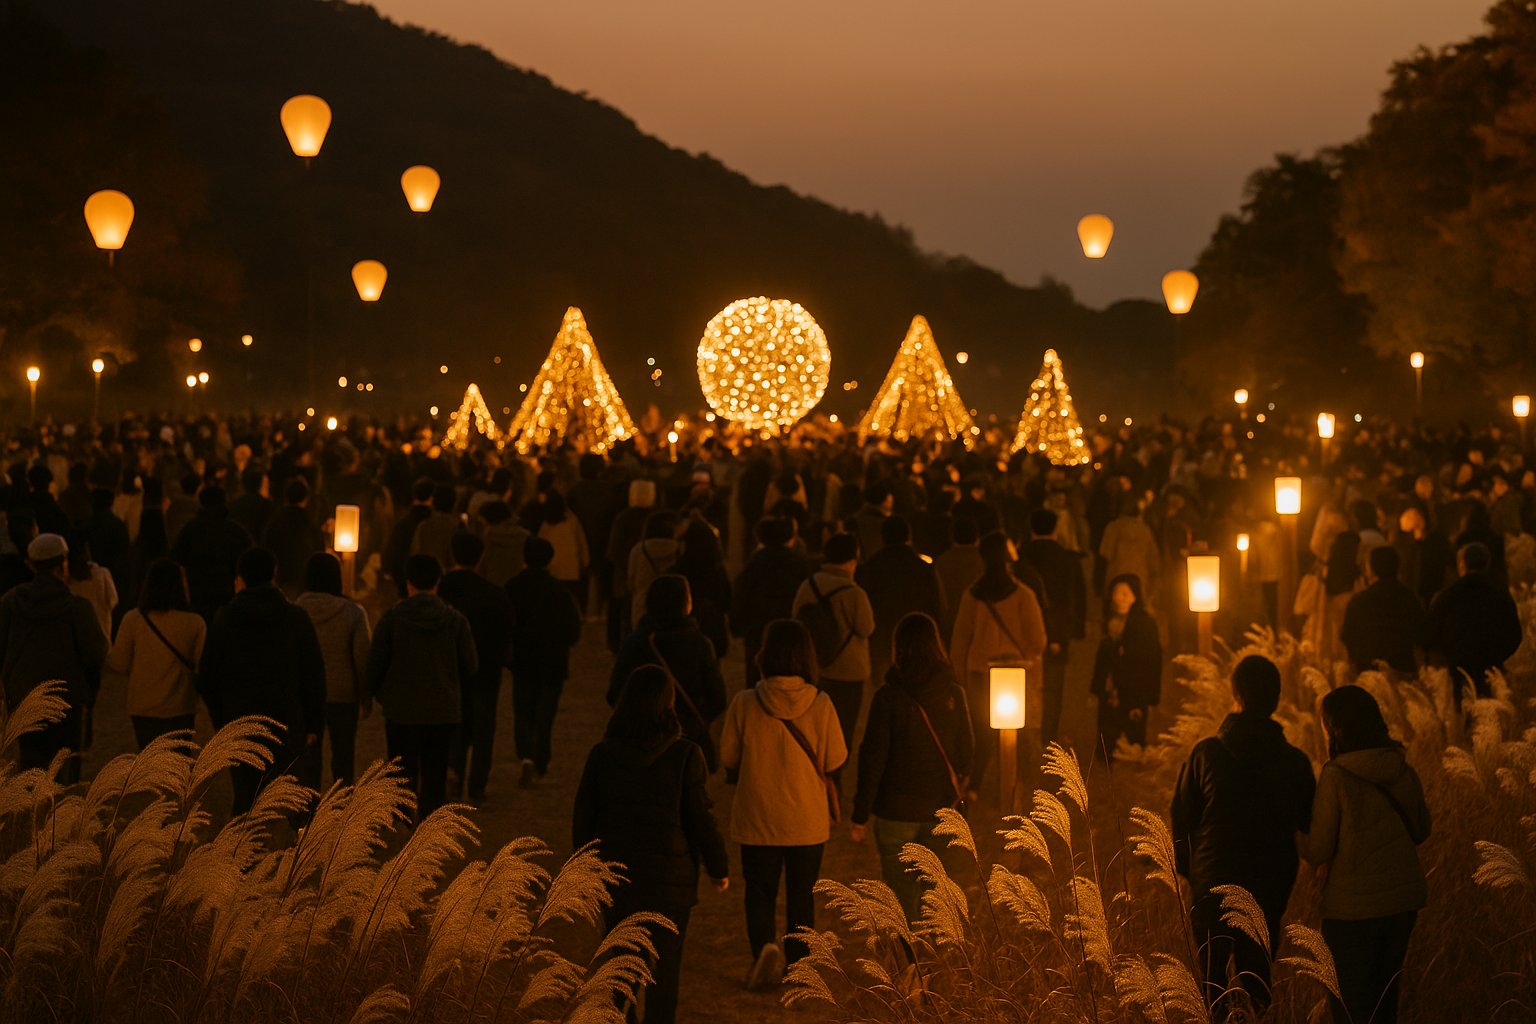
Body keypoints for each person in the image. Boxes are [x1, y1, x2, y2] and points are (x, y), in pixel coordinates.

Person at [573, 665, 730, 1024]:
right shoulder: (685, 756)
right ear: (669, 705)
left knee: (619, 973)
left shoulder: (602, 755)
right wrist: (717, 868)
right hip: (669, 887)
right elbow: (700, 820)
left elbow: (583, 822)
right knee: (665, 975)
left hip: (617, 882)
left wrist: (585, 876)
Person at [1171, 655, 1317, 1017]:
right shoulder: (1295, 762)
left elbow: (1181, 815)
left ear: (1234, 696)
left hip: (1212, 881)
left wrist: (1190, 871)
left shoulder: (1206, 753)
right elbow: (1311, 823)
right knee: (1257, 974)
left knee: (1212, 982)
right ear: (1276, 700)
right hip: (1269, 884)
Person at [719, 619, 846, 990]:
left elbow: (728, 757)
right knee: (801, 895)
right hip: (806, 819)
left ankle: (763, 951)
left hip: (757, 814)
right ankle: (800, 966)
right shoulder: (821, 704)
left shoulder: (745, 703)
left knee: (759, 890)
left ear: (765, 655)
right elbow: (836, 758)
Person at [1305, 685, 1431, 1024]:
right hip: (1402, 907)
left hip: (1352, 913)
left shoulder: (1335, 776)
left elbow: (1318, 848)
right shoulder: (1401, 767)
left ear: (1335, 728)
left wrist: (1292, 833)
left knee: (1350, 1008)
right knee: (1384, 1003)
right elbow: (1421, 830)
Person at [850, 612, 972, 922]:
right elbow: (967, 752)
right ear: (937, 647)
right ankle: (932, 960)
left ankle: (909, 964)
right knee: (935, 894)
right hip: (940, 810)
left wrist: (860, 814)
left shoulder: (887, 698)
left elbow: (872, 758)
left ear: (898, 648)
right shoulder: (954, 695)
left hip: (895, 813)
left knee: (901, 896)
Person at [198, 547, 326, 813]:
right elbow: (313, 673)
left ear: (240, 578)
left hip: (240, 719)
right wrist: (313, 722)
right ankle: (300, 850)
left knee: (246, 798)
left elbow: (208, 674)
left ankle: (243, 851)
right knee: (296, 798)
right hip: (287, 718)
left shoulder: (226, 617)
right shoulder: (294, 617)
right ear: (274, 575)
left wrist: (222, 718)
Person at [365, 553, 477, 821]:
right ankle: (429, 824)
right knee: (435, 771)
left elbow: (376, 663)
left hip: (402, 708)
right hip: (442, 708)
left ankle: (401, 819)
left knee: (402, 770)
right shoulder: (455, 620)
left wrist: (374, 694)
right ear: (438, 581)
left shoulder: (392, 619)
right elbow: (471, 665)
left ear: (408, 583)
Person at [0, 534, 109, 780]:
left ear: (31, 564)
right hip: (67, 701)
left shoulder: (10, 603)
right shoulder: (78, 607)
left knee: (30, 769)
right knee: (65, 772)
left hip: (24, 700)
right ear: (63, 564)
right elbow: (96, 653)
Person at [949, 532, 1046, 799]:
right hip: (1016, 672)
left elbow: (960, 639)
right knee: (1019, 730)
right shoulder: (1023, 595)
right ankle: (1017, 784)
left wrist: (960, 676)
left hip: (979, 672)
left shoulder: (972, 595)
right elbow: (1038, 638)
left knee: (981, 730)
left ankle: (974, 784)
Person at [609, 574, 727, 770]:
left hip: (639, 742)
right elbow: (717, 697)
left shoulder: (636, 643)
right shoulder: (700, 644)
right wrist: (695, 721)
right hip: (688, 740)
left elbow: (614, 693)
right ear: (686, 604)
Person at [439, 530, 516, 801]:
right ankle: (477, 787)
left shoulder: (440, 590)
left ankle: (452, 776)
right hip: (486, 670)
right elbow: (508, 636)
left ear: (452, 554)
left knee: (454, 727)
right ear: (481, 557)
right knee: (484, 730)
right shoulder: (494, 594)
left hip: (448, 671)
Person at [505, 536, 584, 785]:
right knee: (545, 715)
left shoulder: (513, 587)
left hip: (523, 658)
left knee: (523, 710)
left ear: (524, 558)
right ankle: (540, 759)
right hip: (553, 660)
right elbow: (573, 625)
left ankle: (526, 756)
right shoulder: (559, 590)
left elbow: (505, 622)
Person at [107, 558, 206, 750]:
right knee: (179, 763)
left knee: (151, 765)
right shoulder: (195, 623)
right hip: (181, 706)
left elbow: (118, 663)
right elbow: (199, 665)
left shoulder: (133, 619)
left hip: (143, 706)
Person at [792, 531, 874, 756]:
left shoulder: (808, 586)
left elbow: (795, 620)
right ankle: (835, 779)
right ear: (851, 561)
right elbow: (866, 628)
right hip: (849, 673)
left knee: (815, 729)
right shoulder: (854, 593)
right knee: (843, 730)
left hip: (815, 668)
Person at [294, 552, 371, 787]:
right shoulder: (353, 613)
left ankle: (306, 811)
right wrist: (365, 696)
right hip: (342, 694)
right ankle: (341, 807)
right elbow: (362, 658)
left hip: (305, 695)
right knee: (343, 757)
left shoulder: (294, 611)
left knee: (307, 756)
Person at [1422, 541, 1523, 706]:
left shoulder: (1447, 597)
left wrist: (1448, 656)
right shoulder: (1500, 597)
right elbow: (1514, 635)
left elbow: (1428, 635)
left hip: (1456, 674)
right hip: (1491, 673)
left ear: (1462, 564)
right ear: (1487, 564)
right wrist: (1495, 656)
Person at [855, 515, 946, 689]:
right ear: (909, 537)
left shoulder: (870, 567)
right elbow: (938, 607)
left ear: (882, 537)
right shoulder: (923, 568)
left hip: (880, 642)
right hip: (918, 642)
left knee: (883, 690)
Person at [1024, 508, 1087, 744]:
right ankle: (1047, 734)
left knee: (1025, 682)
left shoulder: (1021, 556)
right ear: (1055, 530)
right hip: (1056, 632)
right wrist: (1071, 631)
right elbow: (1075, 598)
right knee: (1052, 687)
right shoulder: (1067, 558)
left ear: (1031, 529)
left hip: (1025, 630)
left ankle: (1022, 730)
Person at [1090, 573, 1162, 757]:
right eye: (1116, 593)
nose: (1119, 598)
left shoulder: (1145, 624)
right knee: (1107, 742)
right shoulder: (1109, 621)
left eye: (1125, 594)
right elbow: (1102, 659)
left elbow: (1153, 661)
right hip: (1110, 691)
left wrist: (1151, 696)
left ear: (1135, 596)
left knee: (1134, 741)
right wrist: (1097, 687)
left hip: (1134, 692)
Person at [731, 516, 809, 685]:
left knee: (756, 673)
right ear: (791, 538)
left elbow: (741, 595)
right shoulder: (800, 564)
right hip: (790, 628)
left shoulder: (755, 563)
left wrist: (738, 626)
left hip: (758, 629)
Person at [171, 486, 254, 623]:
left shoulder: (191, 528)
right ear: (223, 503)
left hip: (197, 593)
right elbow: (250, 558)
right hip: (226, 593)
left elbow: (175, 557)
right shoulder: (234, 530)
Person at [1340, 546, 1425, 675]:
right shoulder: (1410, 598)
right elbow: (1421, 636)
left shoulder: (1359, 601)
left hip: (1368, 672)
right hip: (1403, 671)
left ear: (1371, 569)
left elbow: (1347, 635)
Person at [607, 478, 658, 650]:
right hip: (648, 572)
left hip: (625, 573)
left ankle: (623, 645)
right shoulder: (655, 518)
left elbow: (614, 549)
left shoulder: (622, 519)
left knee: (625, 611)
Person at [263, 476, 324, 595]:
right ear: (306, 499)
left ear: (285, 497)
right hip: (303, 580)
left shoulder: (275, 521)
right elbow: (319, 552)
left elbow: (266, 547)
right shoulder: (310, 523)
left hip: (280, 578)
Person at [536, 489, 590, 613]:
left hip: (552, 570)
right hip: (571, 570)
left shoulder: (545, 526)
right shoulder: (572, 521)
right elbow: (581, 543)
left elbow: (540, 547)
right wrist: (585, 563)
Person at [1099, 493, 1159, 599]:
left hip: (1117, 578)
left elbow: (1105, 553)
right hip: (1140, 579)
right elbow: (1154, 561)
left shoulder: (1113, 527)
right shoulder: (1145, 529)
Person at [934, 516, 984, 639]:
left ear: (952, 537)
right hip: (980, 621)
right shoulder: (984, 560)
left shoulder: (941, 562)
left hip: (951, 622)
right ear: (977, 537)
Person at [627, 510, 679, 627]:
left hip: (642, 604)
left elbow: (631, 582)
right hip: (673, 605)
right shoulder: (679, 549)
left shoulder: (638, 550)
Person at [385, 478, 436, 598]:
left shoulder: (403, 523)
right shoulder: (433, 524)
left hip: (405, 583)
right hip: (430, 583)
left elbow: (392, 554)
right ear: (432, 497)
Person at [65, 533, 118, 640]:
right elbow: (113, 599)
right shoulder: (102, 574)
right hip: (102, 633)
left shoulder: (65, 580)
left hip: (77, 638)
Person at [474, 499, 528, 587]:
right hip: (519, 589)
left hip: (493, 590)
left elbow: (481, 571)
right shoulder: (524, 537)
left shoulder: (491, 540)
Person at [411, 484, 463, 572]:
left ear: (433, 502)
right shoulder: (458, 527)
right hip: (449, 578)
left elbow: (416, 553)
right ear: (454, 504)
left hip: (426, 577)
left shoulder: (424, 525)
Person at [229, 467, 275, 543]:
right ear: (258, 486)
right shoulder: (266, 506)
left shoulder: (235, 504)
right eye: (266, 485)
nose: (268, 488)